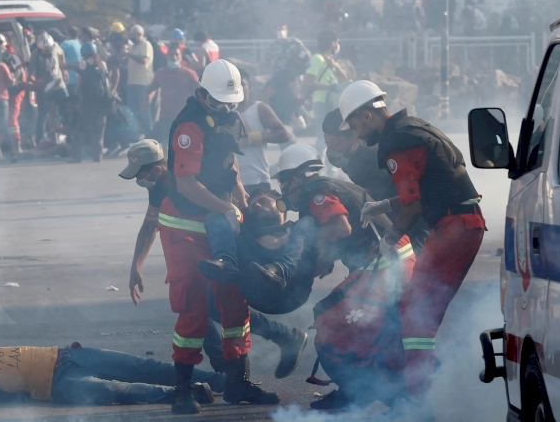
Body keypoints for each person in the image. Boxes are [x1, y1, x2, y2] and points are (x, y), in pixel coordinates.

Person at [339, 80, 486, 417]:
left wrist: (388, 242)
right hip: (461, 224)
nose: (357, 136)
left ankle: (420, 404)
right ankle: (428, 391)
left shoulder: (397, 143)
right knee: (417, 310)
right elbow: (428, 188)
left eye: (356, 125)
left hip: (454, 227)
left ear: (366, 114)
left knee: (415, 315)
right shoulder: (413, 128)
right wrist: (384, 205)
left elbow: (415, 204)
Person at [119, 139, 310, 380]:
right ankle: (234, 364)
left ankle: (256, 354)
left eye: (140, 175)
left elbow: (230, 166)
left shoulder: (191, 175)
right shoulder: (157, 187)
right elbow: (150, 224)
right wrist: (136, 265)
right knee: (198, 305)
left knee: (224, 308)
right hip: (198, 252)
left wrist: (242, 200)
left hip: (222, 248)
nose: (139, 181)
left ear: (156, 169)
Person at [158, 59, 279, 414]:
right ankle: (183, 389)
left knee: (234, 301)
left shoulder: (231, 117)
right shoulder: (189, 126)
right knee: (194, 306)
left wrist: (239, 196)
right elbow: (186, 183)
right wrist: (224, 209)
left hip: (220, 222)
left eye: (232, 102)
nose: (227, 108)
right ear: (202, 94)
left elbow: (231, 163)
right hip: (185, 226)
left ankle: (238, 382)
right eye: (220, 102)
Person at [271, 143, 416, 410]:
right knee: (379, 330)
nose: (283, 188)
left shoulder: (315, 192)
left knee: (328, 318)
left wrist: (316, 253)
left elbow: (340, 227)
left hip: (384, 264)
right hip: (394, 259)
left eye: (283, 180)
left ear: (297, 177)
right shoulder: (332, 184)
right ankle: (391, 392)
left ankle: (359, 392)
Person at [0, 344, 221, 408]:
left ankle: (224, 381)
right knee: (119, 389)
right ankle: (190, 391)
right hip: (59, 384)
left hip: (67, 355)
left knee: (149, 368)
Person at [322, 108, 429, 253]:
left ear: (355, 137)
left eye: (335, 141)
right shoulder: (348, 156)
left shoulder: (378, 156)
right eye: (327, 141)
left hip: (415, 218)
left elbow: (414, 199)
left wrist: (393, 236)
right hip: (391, 214)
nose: (330, 148)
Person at [234, 67, 295, 195]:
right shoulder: (221, 112)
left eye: (242, 84)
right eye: (234, 85)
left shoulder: (259, 108)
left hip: (257, 179)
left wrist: (252, 137)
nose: (238, 88)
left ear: (250, 87)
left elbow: (283, 135)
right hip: (230, 181)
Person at [304, 29, 347, 177]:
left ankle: (332, 172)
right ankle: (319, 171)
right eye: (336, 41)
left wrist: (334, 65)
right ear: (331, 43)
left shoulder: (329, 60)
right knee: (323, 137)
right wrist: (329, 87)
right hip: (322, 102)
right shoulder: (318, 59)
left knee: (333, 136)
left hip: (331, 104)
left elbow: (345, 78)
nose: (338, 44)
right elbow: (308, 81)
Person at [148, 46, 200, 147]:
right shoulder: (161, 73)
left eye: (177, 55)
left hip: (184, 115)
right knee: (165, 141)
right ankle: (166, 162)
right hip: (166, 114)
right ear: (167, 56)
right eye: (171, 55)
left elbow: (200, 90)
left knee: (183, 144)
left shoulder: (189, 73)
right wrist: (148, 98)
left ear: (181, 57)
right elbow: (152, 87)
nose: (174, 57)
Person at [71, 42, 109, 163]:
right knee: (98, 130)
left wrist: (76, 94)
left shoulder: (83, 64)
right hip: (101, 103)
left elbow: (79, 82)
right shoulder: (102, 64)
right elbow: (107, 81)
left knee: (81, 129)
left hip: (87, 103)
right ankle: (97, 155)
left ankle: (76, 156)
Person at [29, 31, 69, 146]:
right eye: (44, 50)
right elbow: (31, 73)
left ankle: (68, 134)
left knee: (66, 110)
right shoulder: (36, 54)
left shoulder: (56, 47)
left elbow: (61, 59)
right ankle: (40, 140)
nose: (46, 52)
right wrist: (36, 81)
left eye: (48, 49)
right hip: (45, 88)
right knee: (43, 114)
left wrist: (64, 70)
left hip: (59, 84)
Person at [126, 25, 154, 138]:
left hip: (143, 82)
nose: (131, 37)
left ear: (140, 35)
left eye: (134, 35)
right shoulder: (132, 46)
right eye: (130, 34)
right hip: (131, 81)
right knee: (133, 110)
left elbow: (144, 60)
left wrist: (129, 54)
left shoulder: (145, 44)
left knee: (144, 110)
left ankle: (149, 134)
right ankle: (136, 133)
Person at [61, 26, 82, 96]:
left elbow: (57, 58)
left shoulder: (65, 44)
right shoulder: (80, 44)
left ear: (68, 34)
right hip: (79, 79)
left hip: (68, 80)